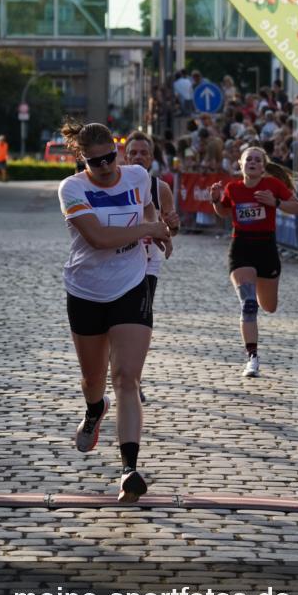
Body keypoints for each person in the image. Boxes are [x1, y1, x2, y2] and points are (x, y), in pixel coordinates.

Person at [58, 120, 170, 504]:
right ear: (82, 160)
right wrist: (149, 229)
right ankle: (95, 409)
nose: (105, 166)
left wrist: (158, 228)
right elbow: (99, 239)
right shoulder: (72, 188)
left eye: (110, 157)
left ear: (117, 151)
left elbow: (149, 206)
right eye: (95, 161)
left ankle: (129, 470)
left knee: (126, 378)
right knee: (94, 379)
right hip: (86, 290)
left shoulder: (137, 176)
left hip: (131, 285)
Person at [209, 146, 298, 377]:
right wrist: (216, 201)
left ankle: (257, 294)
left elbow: (297, 207)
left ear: (263, 167)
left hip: (266, 249)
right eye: (248, 159)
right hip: (241, 248)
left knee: (269, 306)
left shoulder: (273, 186)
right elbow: (224, 212)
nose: (252, 162)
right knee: (248, 305)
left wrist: (275, 202)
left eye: (257, 160)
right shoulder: (233, 188)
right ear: (241, 165)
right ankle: (252, 357)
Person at [125, 131, 181, 403]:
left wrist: (173, 226)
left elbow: (171, 228)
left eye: (143, 153)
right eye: (133, 153)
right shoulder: (116, 184)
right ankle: (122, 373)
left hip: (149, 264)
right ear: (125, 157)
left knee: (139, 322)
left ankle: (133, 380)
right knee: (119, 324)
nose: (138, 157)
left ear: (151, 158)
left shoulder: (161, 189)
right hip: (120, 262)